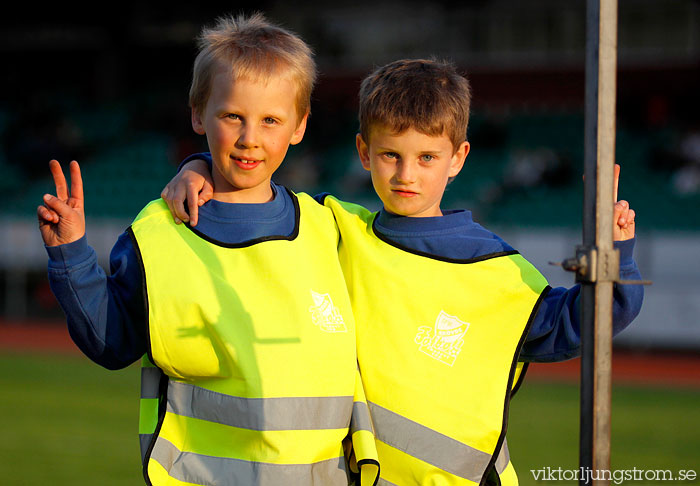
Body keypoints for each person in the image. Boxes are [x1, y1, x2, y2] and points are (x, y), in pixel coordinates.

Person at [164, 58, 644, 485]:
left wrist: (616, 255)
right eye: (391, 155)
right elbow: (253, 184)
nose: (405, 175)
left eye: (427, 158)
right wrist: (199, 166)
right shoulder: (334, 229)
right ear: (363, 151)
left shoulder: (497, 270)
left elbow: (587, 321)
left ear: (457, 159)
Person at [37, 13, 379, 486]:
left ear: (299, 126)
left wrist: (195, 165)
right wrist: (71, 252)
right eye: (232, 116)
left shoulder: (333, 228)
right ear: (198, 114)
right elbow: (111, 341)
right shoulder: (159, 234)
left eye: (271, 120)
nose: (249, 138)